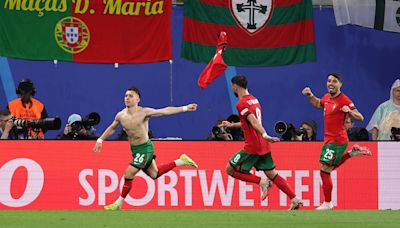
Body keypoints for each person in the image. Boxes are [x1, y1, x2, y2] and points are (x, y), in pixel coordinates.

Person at [93, 86, 199, 210]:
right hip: (135, 151)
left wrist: (185, 108)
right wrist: (100, 140)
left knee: (128, 173)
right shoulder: (121, 115)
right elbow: (112, 128)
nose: (127, 98)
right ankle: (181, 161)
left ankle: (118, 203)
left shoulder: (144, 112)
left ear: (138, 99)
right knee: (154, 174)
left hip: (145, 148)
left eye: (131, 96)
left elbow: (165, 111)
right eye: (126, 96)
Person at [222, 75, 303, 210]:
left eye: (232, 86)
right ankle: (295, 199)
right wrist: (232, 125)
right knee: (272, 173)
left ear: (235, 86)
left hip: (253, 146)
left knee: (229, 169)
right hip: (263, 145)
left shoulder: (241, 104)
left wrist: (265, 134)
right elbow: (248, 122)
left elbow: (253, 121)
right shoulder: (254, 99)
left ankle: (261, 182)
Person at [302, 73, 372, 210]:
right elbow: (318, 104)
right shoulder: (327, 97)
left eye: (334, 81)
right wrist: (310, 96)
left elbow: (361, 117)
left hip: (337, 140)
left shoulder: (344, 100)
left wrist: (350, 112)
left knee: (324, 170)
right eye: (329, 81)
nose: (331, 83)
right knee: (328, 168)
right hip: (328, 139)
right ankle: (352, 154)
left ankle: (328, 203)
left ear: (340, 84)